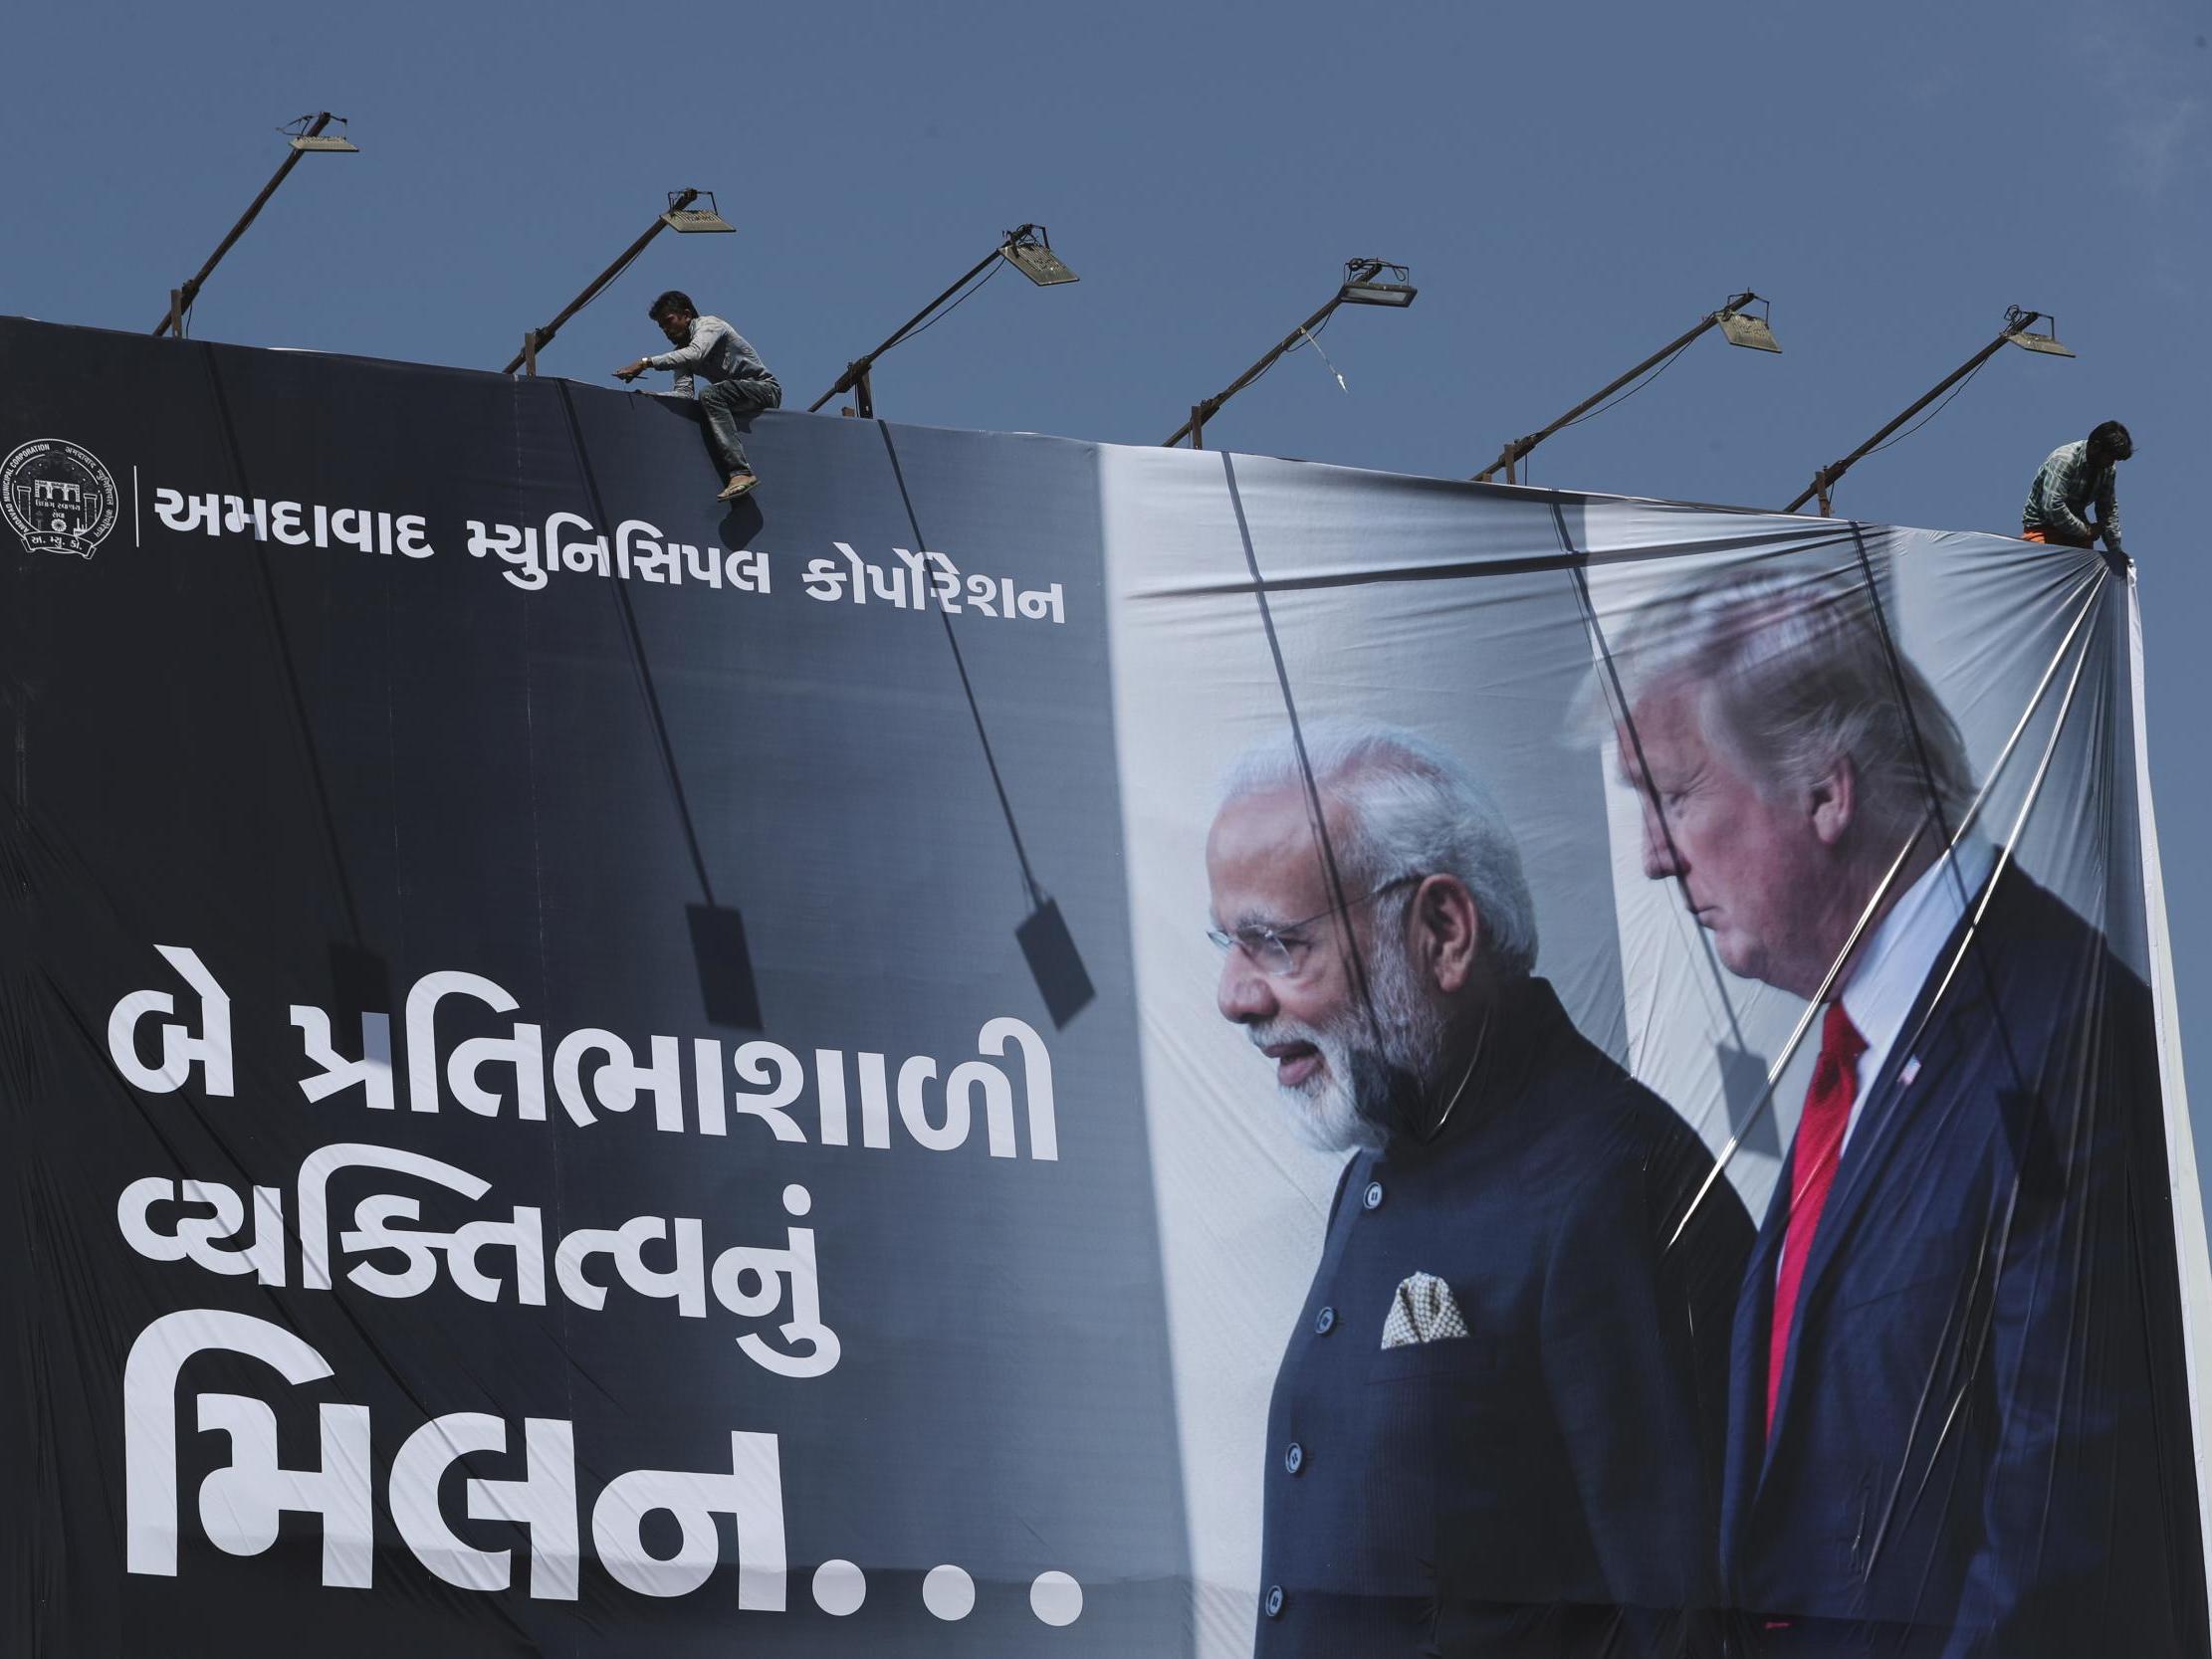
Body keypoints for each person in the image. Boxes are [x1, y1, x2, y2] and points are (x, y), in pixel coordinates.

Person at [1611, 574, 2203, 1656]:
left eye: (1674, 793)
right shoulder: (1863, 1051)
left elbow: (2061, 1534)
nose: (1651, 852)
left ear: (1824, 795)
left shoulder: (2056, 1035)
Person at [1208, 725, 1752, 1659]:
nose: (1233, 996)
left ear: (1443, 933)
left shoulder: (1615, 1184)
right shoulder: (1378, 1162)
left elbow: (1692, 1626)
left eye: (1278, 945)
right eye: (1228, 944)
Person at [615, 291, 780, 501]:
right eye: (661, 327)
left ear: (686, 315)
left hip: (764, 389)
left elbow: (696, 353)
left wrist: (645, 362)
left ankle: (740, 473)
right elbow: (683, 394)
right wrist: (653, 396)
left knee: (710, 395)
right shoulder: (681, 351)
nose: (666, 330)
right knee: (706, 399)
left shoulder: (710, 325)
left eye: (668, 321)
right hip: (733, 396)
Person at [2021, 420, 2130, 554]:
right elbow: (2052, 507)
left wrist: (2115, 550)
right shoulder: (2064, 460)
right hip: (2043, 529)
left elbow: (2107, 510)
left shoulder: (2107, 469)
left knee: (2088, 571)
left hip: (2076, 534)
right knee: (2043, 571)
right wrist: (2086, 531)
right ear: (2095, 447)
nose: (2111, 463)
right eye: (2109, 458)